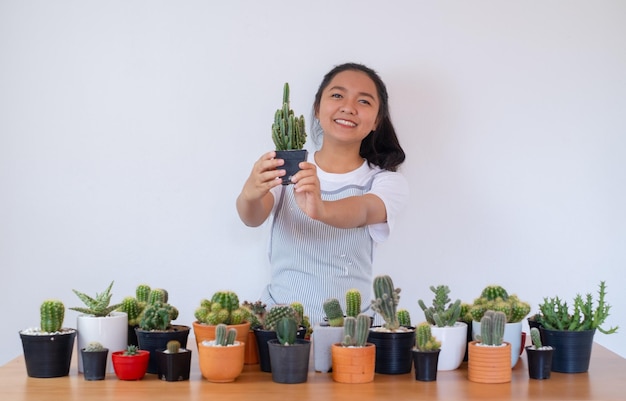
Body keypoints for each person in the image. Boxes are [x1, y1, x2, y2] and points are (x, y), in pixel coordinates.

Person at [236, 62, 409, 325]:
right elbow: (252, 217)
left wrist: (322, 209)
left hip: (353, 331)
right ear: (317, 109)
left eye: (363, 101)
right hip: (277, 326)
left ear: (376, 121)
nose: (348, 107)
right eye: (337, 95)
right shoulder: (288, 166)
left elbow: (363, 210)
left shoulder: (385, 182)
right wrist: (249, 194)